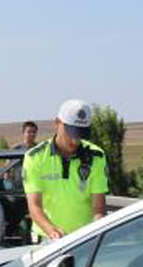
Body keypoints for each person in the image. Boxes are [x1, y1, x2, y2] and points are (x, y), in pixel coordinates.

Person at [23, 99, 108, 241]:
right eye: (71, 132)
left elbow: (98, 209)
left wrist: (96, 232)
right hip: (46, 241)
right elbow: (34, 206)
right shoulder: (35, 157)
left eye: (80, 134)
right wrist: (52, 231)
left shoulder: (96, 157)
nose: (75, 141)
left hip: (84, 240)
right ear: (57, 123)